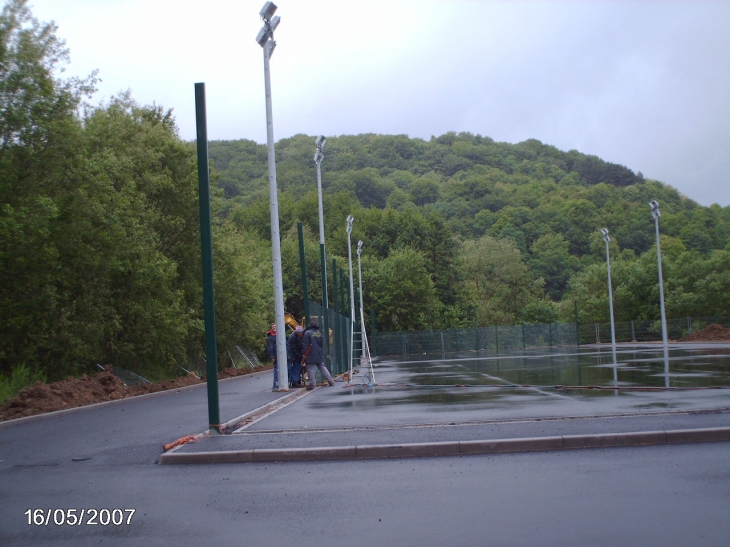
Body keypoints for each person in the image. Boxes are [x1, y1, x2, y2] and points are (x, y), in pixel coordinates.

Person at [301, 319, 335, 390]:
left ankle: (312, 385)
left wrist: (304, 354)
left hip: (310, 353)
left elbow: (305, 344)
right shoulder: (319, 333)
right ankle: (331, 381)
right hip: (319, 353)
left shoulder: (307, 333)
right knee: (322, 367)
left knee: (310, 368)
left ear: (309, 326)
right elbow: (321, 344)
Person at [266, 323, 280, 391]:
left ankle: (280, 384)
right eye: (273, 327)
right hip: (276, 356)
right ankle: (276, 385)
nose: (274, 328)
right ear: (271, 328)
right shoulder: (270, 337)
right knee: (276, 371)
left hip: (281, 356)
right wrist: (272, 357)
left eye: (275, 326)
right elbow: (270, 348)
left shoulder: (280, 335)